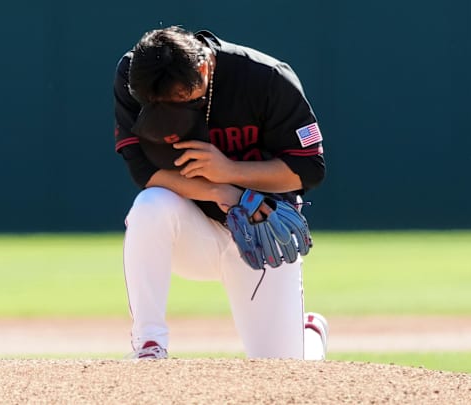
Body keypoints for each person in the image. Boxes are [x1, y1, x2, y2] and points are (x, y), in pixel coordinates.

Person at [113, 26, 328, 360]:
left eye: (181, 97)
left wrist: (230, 171)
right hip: (192, 231)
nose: (169, 107)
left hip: (260, 232)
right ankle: (149, 345)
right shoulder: (133, 75)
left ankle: (309, 334)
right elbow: (143, 171)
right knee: (150, 205)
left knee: (285, 372)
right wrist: (217, 189)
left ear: (204, 69)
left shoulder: (266, 78)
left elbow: (309, 169)